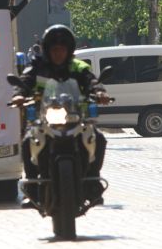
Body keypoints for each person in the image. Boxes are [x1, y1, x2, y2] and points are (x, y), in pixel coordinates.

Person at [15, 24, 110, 205]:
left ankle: (93, 182)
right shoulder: (37, 67)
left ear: (69, 50)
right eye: (54, 49)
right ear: (47, 50)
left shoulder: (78, 67)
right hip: (45, 118)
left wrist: (99, 92)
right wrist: (19, 94)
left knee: (98, 138)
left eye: (62, 49)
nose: (58, 53)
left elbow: (92, 80)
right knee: (28, 140)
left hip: (75, 117)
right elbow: (24, 81)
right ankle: (32, 189)